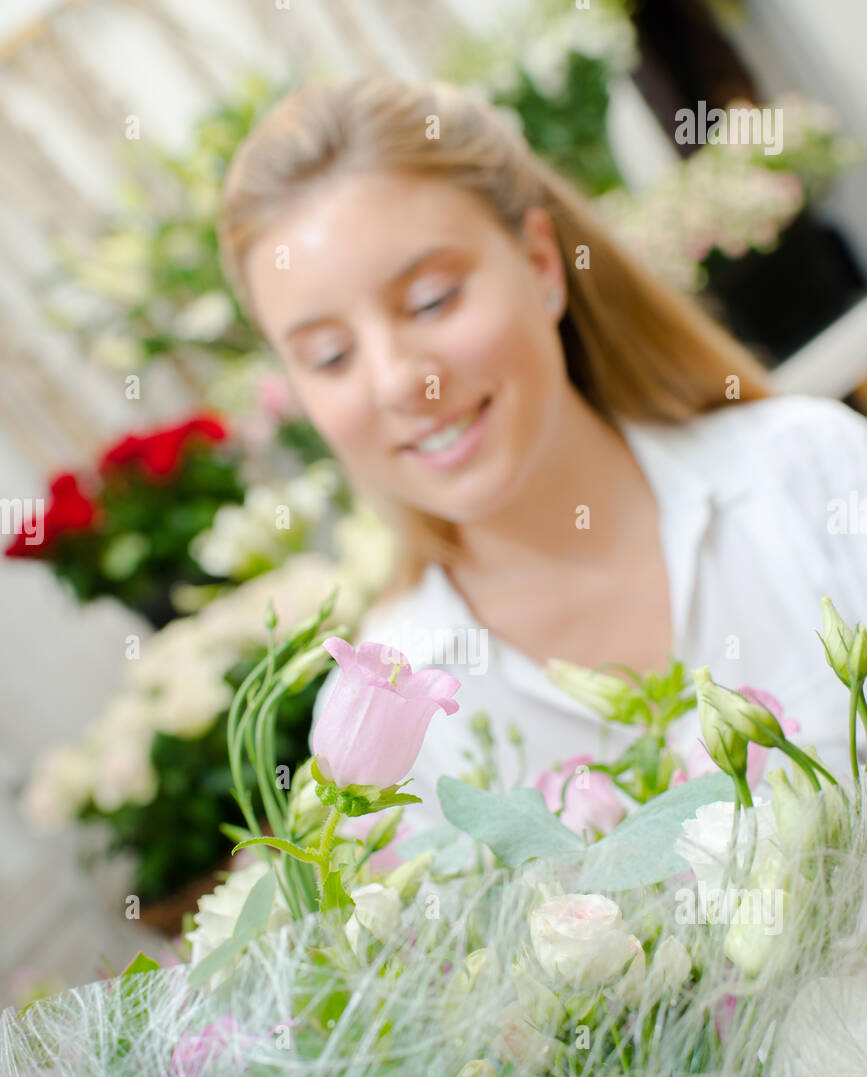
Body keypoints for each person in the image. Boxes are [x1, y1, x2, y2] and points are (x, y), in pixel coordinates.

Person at [218, 75, 867, 837]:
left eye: (431, 301)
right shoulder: (383, 720)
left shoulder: (805, 475)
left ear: (541, 265)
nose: (398, 379)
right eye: (329, 356)